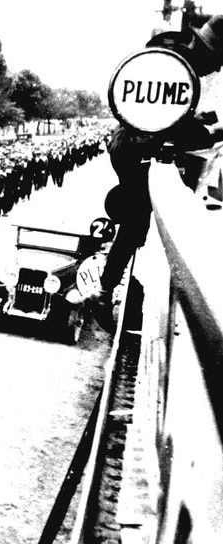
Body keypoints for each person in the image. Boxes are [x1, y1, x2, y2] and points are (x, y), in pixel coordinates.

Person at [96, 16, 223, 332]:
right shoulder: (180, 67)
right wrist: (214, 132)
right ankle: (105, 290)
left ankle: (111, 288)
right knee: (137, 221)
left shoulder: (175, 56)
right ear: (206, 50)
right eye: (217, 61)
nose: (217, 70)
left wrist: (199, 120)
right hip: (135, 147)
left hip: (132, 143)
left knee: (137, 223)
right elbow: (174, 126)